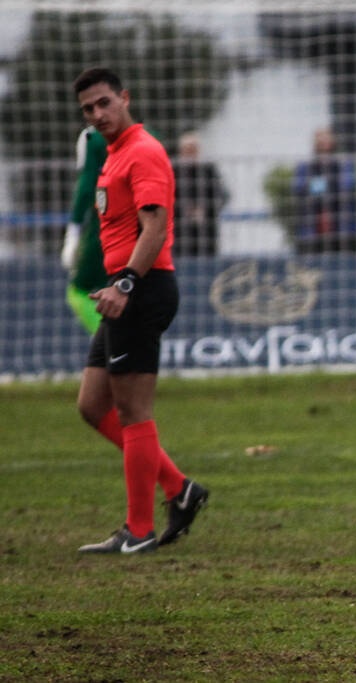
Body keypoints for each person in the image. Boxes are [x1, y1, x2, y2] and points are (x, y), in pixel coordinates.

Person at [72, 67, 208, 554]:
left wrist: (126, 283)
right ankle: (179, 488)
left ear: (124, 98)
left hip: (141, 289)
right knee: (93, 405)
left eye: (104, 102)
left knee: (133, 410)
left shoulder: (143, 150)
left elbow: (156, 228)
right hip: (123, 290)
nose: (98, 114)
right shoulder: (113, 155)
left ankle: (138, 530)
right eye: (88, 109)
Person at [60, 126, 109, 335]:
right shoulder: (150, 135)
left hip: (105, 229)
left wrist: (73, 233)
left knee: (78, 292)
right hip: (146, 232)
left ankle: (110, 344)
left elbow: (87, 186)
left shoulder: (93, 137)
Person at [292, 127, 356, 253]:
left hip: (341, 227)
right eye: (320, 139)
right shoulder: (305, 166)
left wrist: (321, 185)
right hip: (312, 226)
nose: (323, 142)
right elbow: (299, 188)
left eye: (327, 138)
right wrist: (326, 185)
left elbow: (347, 186)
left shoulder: (344, 164)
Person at [172, 131, 229, 257]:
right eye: (187, 150)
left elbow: (222, 196)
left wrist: (205, 209)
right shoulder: (174, 171)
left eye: (193, 149)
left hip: (206, 231)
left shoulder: (208, 170)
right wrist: (183, 209)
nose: (190, 154)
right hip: (179, 231)